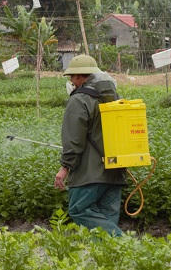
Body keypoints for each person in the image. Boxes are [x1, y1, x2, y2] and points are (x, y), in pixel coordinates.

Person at [53, 53, 126, 236]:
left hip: (90, 173)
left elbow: (74, 139)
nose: (71, 81)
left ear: (80, 76)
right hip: (116, 170)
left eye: (72, 77)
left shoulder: (79, 100)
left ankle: (126, 245)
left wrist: (65, 168)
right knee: (106, 219)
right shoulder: (115, 97)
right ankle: (111, 261)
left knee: (79, 209)